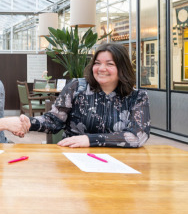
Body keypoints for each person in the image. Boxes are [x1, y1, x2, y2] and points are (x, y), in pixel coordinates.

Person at [20, 43, 150, 148]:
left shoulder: (137, 97)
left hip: (119, 161)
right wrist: (28, 123)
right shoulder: (77, 87)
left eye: (110, 64)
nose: (101, 68)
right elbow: (54, 121)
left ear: (122, 68)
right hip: (74, 157)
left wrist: (90, 140)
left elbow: (138, 136)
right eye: (97, 63)